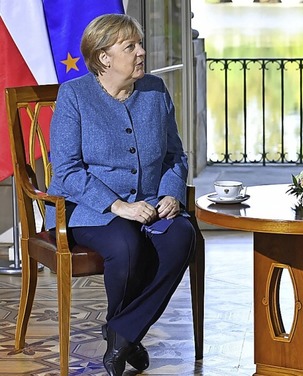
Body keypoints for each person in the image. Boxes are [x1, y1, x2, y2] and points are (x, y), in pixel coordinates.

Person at [45, 14, 195, 376]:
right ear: (104, 57)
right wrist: (118, 205)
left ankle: (122, 333)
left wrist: (171, 193)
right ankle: (127, 336)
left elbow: (176, 156)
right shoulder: (74, 96)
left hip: (151, 204)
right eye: (131, 46)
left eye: (139, 44)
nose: (141, 52)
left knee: (181, 237)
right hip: (88, 209)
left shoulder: (155, 91)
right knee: (126, 245)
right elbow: (65, 171)